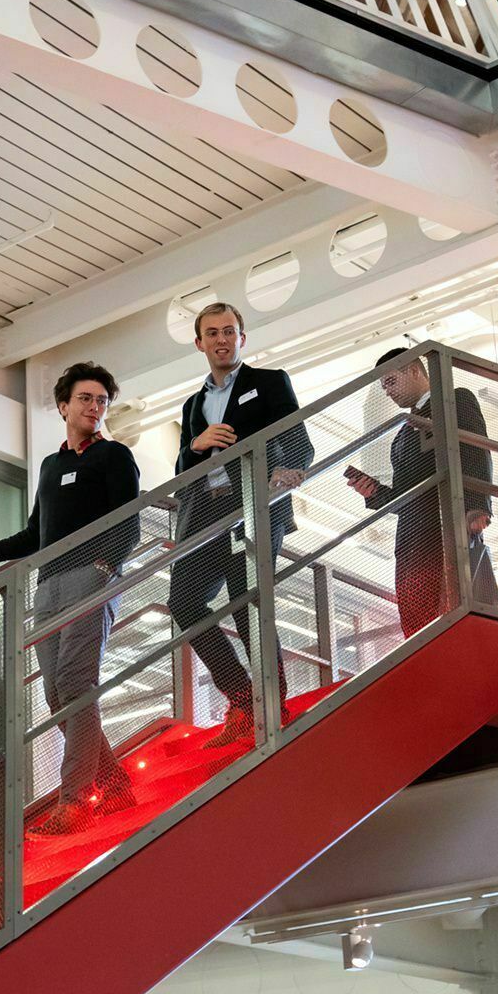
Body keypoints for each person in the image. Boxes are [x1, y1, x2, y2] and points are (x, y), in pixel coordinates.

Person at [0, 362, 140, 835]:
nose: (94, 407)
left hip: (91, 578)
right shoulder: (51, 464)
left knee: (77, 683)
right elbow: (36, 534)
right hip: (48, 585)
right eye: (85, 398)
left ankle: (76, 800)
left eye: (101, 400)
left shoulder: (115, 457)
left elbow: (130, 523)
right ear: (63, 405)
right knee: (55, 692)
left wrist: (106, 569)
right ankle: (115, 783)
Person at [169, 302, 314, 747]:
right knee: (182, 601)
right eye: (211, 333)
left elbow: (296, 438)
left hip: (254, 501)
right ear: (199, 344)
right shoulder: (194, 404)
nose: (221, 339)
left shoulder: (267, 382)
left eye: (229, 331)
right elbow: (180, 470)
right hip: (205, 512)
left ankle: (273, 700)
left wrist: (288, 471)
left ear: (242, 337)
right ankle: (239, 696)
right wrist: (196, 444)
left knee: (247, 598)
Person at [344, 353, 496, 638]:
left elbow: (477, 451)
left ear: (415, 371)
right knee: (417, 622)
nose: (387, 391)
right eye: (383, 386)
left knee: (455, 608)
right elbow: (404, 495)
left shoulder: (454, 401)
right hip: (412, 538)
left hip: (449, 526)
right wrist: (374, 493)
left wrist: (478, 508)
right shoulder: (401, 435)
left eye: (390, 381)